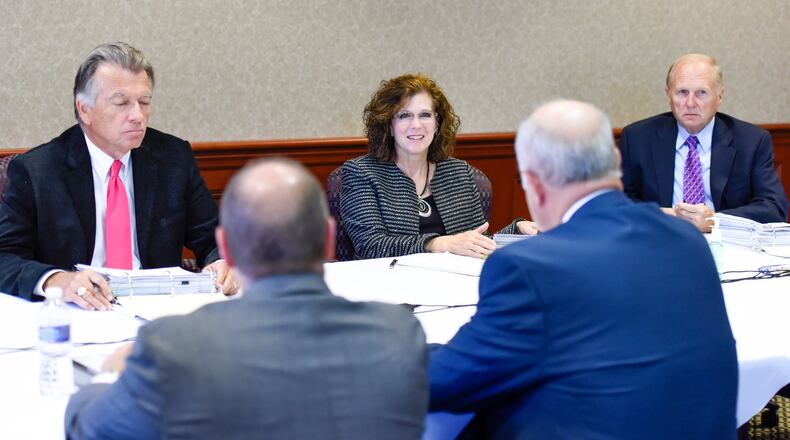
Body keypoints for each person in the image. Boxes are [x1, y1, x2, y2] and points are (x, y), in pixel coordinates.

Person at [428, 100, 738, 438]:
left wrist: (405, 343)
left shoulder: (529, 267)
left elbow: (447, 381)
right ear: (616, 163)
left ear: (533, 182)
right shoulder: (686, 240)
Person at [64, 158, 429, 439]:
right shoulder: (398, 334)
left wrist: (112, 375)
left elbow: (86, 427)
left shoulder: (172, 347)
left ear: (226, 247)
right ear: (328, 238)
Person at [0, 42, 236, 310]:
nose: (137, 116)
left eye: (144, 102)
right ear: (84, 109)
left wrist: (222, 262)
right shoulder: (38, 170)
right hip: (79, 311)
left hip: (158, 311)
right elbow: (5, 257)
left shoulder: (173, 158)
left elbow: (212, 235)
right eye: (121, 103)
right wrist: (58, 280)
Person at [340, 73, 537, 260]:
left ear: (437, 123)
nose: (416, 125)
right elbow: (371, 246)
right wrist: (438, 243)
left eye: (425, 115)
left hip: (452, 285)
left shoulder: (459, 173)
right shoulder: (361, 173)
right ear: (388, 126)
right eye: (404, 115)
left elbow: (474, 244)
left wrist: (517, 230)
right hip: (387, 286)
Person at [620, 53, 787, 232]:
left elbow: (773, 207)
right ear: (668, 95)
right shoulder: (637, 138)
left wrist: (714, 221)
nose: (690, 103)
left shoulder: (751, 141)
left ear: (720, 96)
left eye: (701, 93)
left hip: (728, 245)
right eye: (682, 92)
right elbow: (619, 201)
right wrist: (660, 215)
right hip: (660, 239)